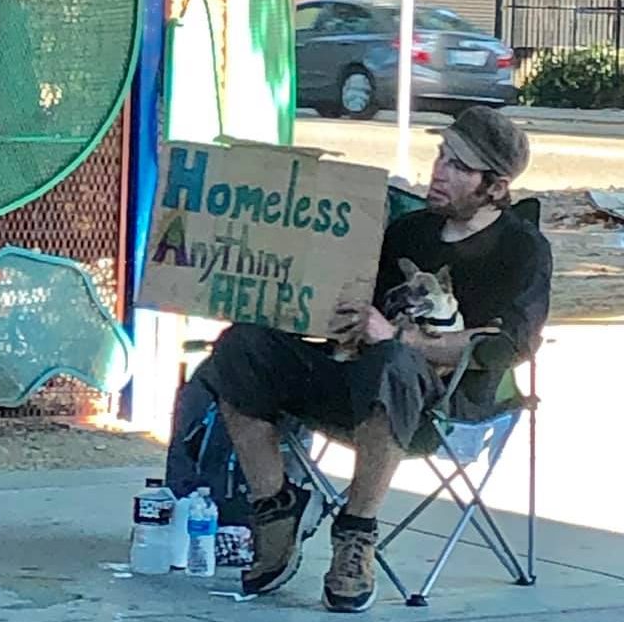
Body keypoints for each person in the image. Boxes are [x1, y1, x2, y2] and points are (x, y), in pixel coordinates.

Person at [198, 106, 552, 613]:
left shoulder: (521, 248)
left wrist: (404, 343)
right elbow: (351, 300)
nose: (439, 171)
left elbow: (511, 345)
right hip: (354, 377)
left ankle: (356, 535)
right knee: (241, 346)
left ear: (493, 187)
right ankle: (275, 507)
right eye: (441, 156)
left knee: (391, 364)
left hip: (441, 405)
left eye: (457, 166)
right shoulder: (408, 233)